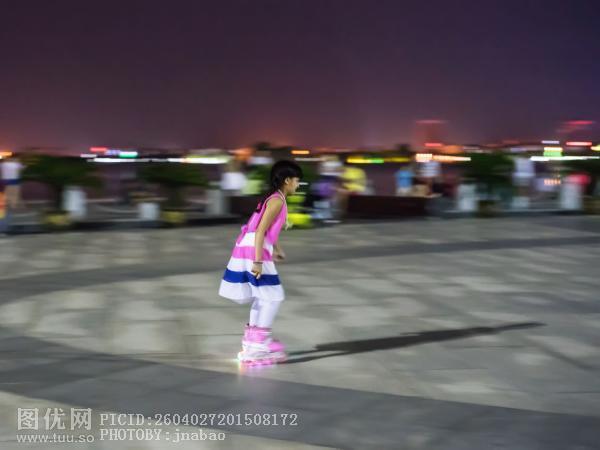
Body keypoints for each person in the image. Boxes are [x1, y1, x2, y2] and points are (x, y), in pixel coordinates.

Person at [218, 160, 302, 365]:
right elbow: (260, 230)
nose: (298, 185)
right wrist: (257, 261)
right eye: (297, 180)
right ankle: (258, 348)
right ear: (287, 180)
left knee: (262, 296)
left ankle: (251, 343)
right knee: (273, 296)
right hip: (254, 250)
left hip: (249, 246)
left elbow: (266, 229)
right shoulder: (277, 201)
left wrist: (277, 249)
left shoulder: (273, 197)